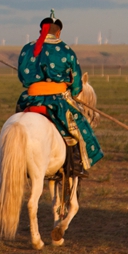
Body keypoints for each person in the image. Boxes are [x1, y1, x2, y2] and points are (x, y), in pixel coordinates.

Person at [15, 12, 103, 176]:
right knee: (80, 128)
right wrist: (74, 92)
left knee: (16, 122)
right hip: (58, 101)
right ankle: (77, 164)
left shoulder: (27, 49)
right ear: (58, 32)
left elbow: (22, 76)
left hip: (30, 99)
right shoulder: (66, 50)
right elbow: (76, 81)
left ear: (41, 31)